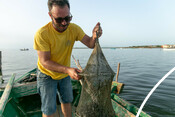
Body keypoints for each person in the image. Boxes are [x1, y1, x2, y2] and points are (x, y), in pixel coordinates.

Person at [33, 0, 102, 117]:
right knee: (49, 108)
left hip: (65, 74)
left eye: (68, 18)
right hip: (46, 74)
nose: (64, 23)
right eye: (59, 19)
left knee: (67, 100)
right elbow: (45, 61)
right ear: (50, 15)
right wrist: (68, 70)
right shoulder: (42, 34)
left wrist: (94, 36)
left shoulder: (74, 29)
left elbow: (90, 44)